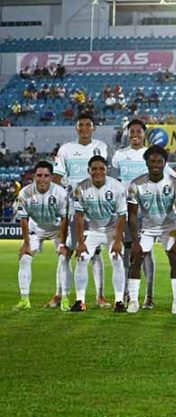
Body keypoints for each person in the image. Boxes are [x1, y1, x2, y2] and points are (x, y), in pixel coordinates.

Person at [52, 113, 109, 309]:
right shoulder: (66, 149)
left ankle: (100, 296)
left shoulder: (101, 147)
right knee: (66, 251)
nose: (84, 128)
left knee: (96, 253)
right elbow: (57, 177)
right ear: (76, 128)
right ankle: (59, 294)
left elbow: (103, 175)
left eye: (88, 125)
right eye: (81, 125)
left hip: (95, 208)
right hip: (72, 207)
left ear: (93, 128)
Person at [127, 145, 176, 314]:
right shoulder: (136, 184)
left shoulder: (174, 183)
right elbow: (132, 215)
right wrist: (135, 242)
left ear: (164, 163)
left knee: (174, 258)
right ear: (146, 163)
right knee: (136, 258)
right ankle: (133, 301)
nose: (155, 165)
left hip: (169, 227)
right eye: (152, 161)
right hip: (147, 227)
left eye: (159, 162)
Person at [110, 119, 158, 309]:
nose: (135, 134)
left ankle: (149, 295)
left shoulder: (151, 155)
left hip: (146, 212)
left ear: (144, 134)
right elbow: (114, 181)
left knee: (146, 252)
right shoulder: (120, 155)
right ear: (128, 134)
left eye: (139, 131)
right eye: (132, 131)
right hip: (126, 210)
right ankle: (126, 293)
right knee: (126, 251)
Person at [71, 156, 127, 312]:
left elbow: (122, 216)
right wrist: (80, 242)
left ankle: (119, 301)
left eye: (101, 168)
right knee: (82, 258)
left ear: (107, 170)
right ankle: (80, 301)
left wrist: (117, 240)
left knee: (116, 258)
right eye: (94, 169)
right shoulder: (80, 188)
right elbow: (79, 217)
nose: (98, 172)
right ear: (88, 170)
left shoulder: (117, 187)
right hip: (92, 230)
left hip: (112, 230)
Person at [13, 161, 71, 311]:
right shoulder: (25, 193)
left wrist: (63, 244)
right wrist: (26, 244)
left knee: (64, 258)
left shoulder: (60, 193)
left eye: (46, 176)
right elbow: (23, 219)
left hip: (56, 229)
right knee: (25, 258)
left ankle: (64, 298)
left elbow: (65, 219)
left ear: (51, 177)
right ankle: (24, 299)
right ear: (34, 176)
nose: (42, 179)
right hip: (36, 228)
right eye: (39, 175)